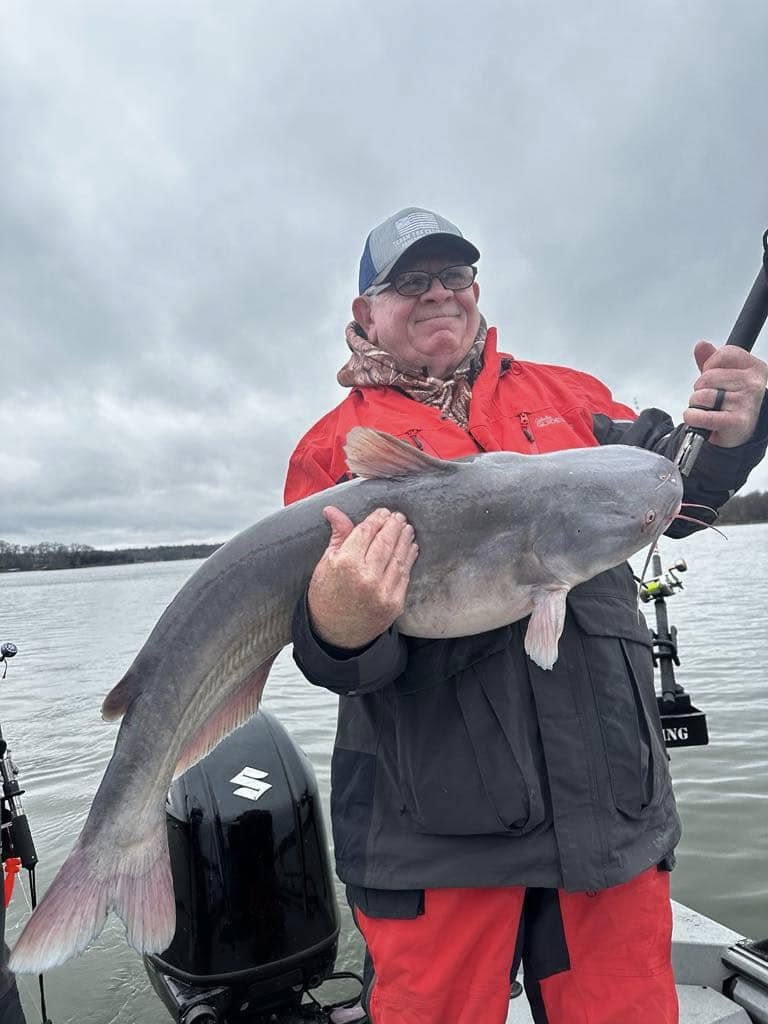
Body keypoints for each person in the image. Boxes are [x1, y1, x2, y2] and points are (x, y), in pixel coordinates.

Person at [284, 207, 768, 1024]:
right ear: (366, 311)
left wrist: (734, 435)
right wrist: (341, 625)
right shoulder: (331, 450)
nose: (439, 293)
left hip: (610, 815)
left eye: (454, 276)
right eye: (411, 281)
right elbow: (327, 657)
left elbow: (676, 494)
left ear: (476, 289)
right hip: (433, 842)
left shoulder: (572, 397)